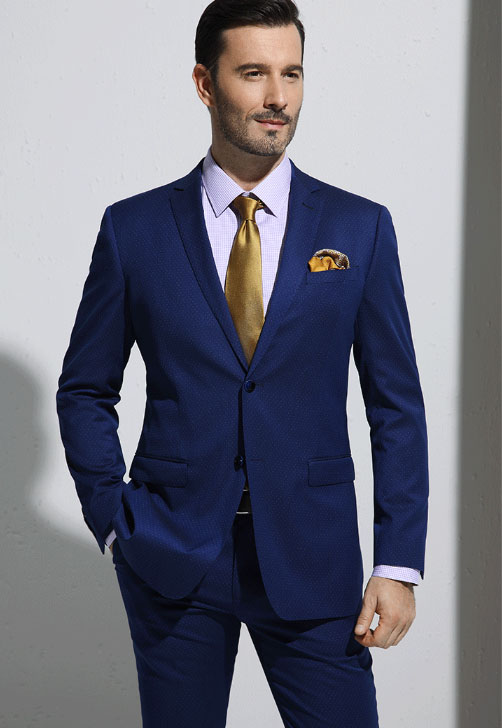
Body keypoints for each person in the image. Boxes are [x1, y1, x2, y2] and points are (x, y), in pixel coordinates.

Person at [56, 1, 429, 725]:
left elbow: (396, 406)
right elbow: (85, 389)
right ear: (206, 83)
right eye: (254, 73)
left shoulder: (359, 227)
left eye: (292, 73)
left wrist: (397, 562)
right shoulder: (134, 229)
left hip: (313, 555)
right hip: (172, 555)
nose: (277, 97)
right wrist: (114, 517)